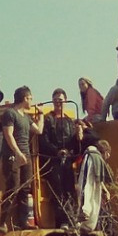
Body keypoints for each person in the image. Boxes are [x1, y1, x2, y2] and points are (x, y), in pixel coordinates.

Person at [0, 86, 44, 231]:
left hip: (26, 155)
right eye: (30, 98)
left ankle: (23, 222)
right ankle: (2, 222)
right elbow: (8, 135)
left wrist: (41, 114)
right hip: (13, 155)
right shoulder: (10, 113)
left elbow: (39, 130)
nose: (31, 101)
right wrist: (17, 152)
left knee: (25, 188)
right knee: (13, 187)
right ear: (25, 98)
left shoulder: (26, 117)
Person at [39, 88, 84, 228]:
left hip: (68, 160)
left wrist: (78, 137)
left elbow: (75, 143)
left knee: (70, 189)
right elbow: (44, 141)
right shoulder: (48, 119)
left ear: (65, 101)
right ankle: (62, 221)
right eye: (55, 100)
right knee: (58, 190)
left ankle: (72, 219)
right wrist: (57, 151)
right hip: (53, 160)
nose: (58, 102)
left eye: (60, 100)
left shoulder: (70, 121)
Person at [77, 140, 111, 232]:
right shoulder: (92, 157)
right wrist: (85, 208)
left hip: (87, 216)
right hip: (85, 209)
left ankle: (87, 224)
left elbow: (97, 179)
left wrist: (105, 190)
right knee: (88, 189)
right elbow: (87, 182)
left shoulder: (95, 158)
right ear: (106, 152)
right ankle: (85, 218)